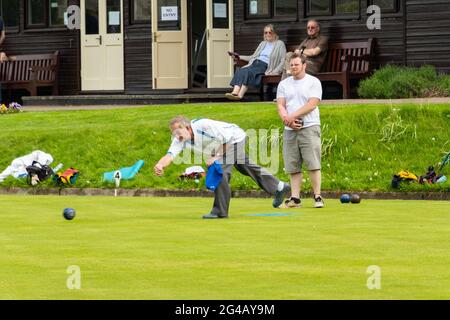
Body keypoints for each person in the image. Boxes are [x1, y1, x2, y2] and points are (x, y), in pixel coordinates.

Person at [154, 116, 290, 219]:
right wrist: (160, 164)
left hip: (234, 139)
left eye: (178, 131)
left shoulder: (204, 125)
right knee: (245, 167)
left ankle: (219, 211)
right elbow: (170, 155)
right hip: (221, 146)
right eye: (173, 133)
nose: (176, 136)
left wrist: (216, 157)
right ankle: (279, 186)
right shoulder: (180, 139)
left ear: (187, 127)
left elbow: (227, 140)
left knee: (219, 170)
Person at [276, 53, 324, 208]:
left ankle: (317, 196)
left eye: (296, 64)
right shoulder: (284, 84)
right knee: (293, 165)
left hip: (309, 126)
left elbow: (312, 104)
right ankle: (295, 198)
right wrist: (287, 120)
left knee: (313, 163)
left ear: (304, 65)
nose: (293, 67)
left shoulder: (313, 82)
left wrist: (291, 116)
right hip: (289, 129)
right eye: (291, 65)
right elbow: (281, 105)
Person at [225, 24, 286, 101]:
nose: (267, 34)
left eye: (270, 32)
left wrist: (276, 71)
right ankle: (234, 92)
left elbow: (283, 60)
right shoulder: (263, 43)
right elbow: (253, 57)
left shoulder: (280, 44)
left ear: (274, 33)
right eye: (265, 32)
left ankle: (240, 95)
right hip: (255, 63)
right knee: (242, 70)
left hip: (265, 66)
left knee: (248, 71)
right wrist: (239, 57)